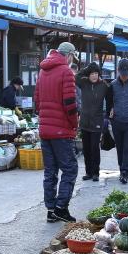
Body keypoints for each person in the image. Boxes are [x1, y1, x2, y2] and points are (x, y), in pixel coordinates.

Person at [34, 42, 79, 223]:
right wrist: (74, 124)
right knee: (70, 169)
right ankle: (61, 208)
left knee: (50, 171)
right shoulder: (66, 72)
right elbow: (70, 103)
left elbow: (36, 101)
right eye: (72, 57)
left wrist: (45, 118)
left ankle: (51, 209)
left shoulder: (43, 71)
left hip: (45, 129)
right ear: (68, 56)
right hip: (61, 131)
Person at [76, 62, 109, 182]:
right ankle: (88, 172)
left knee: (95, 148)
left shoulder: (103, 85)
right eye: (92, 74)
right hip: (85, 121)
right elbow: (75, 77)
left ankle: (96, 172)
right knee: (86, 149)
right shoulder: (84, 83)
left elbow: (110, 98)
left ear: (99, 74)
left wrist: (109, 113)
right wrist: (86, 70)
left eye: (96, 73)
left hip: (97, 121)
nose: (94, 76)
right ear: (88, 75)